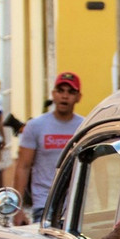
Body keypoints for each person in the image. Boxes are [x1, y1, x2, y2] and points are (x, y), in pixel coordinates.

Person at [13, 74, 86, 225]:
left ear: (78, 97)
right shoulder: (35, 126)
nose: (65, 96)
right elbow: (23, 166)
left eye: (71, 92)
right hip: (45, 204)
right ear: (53, 94)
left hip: (77, 206)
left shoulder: (85, 127)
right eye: (60, 91)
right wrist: (17, 209)